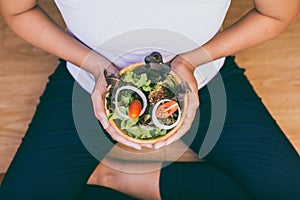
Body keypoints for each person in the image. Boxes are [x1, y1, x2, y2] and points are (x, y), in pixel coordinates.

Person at [0, 0, 299, 199]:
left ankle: (117, 179)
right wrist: (94, 65)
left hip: (204, 77)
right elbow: (18, 11)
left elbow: (275, 13)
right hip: (90, 79)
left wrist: (190, 63)